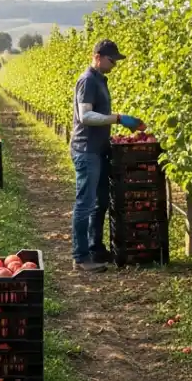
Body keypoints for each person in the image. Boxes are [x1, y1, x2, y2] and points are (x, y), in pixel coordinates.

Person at [69, 39, 145, 272]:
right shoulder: (88, 80)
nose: (115, 65)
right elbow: (86, 116)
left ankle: (95, 248)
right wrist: (118, 118)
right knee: (85, 203)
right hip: (86, 149)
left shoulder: (100, 80)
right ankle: (80, 257)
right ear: (98, 57)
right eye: (112, 60)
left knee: (100, 202)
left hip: (99, 149)